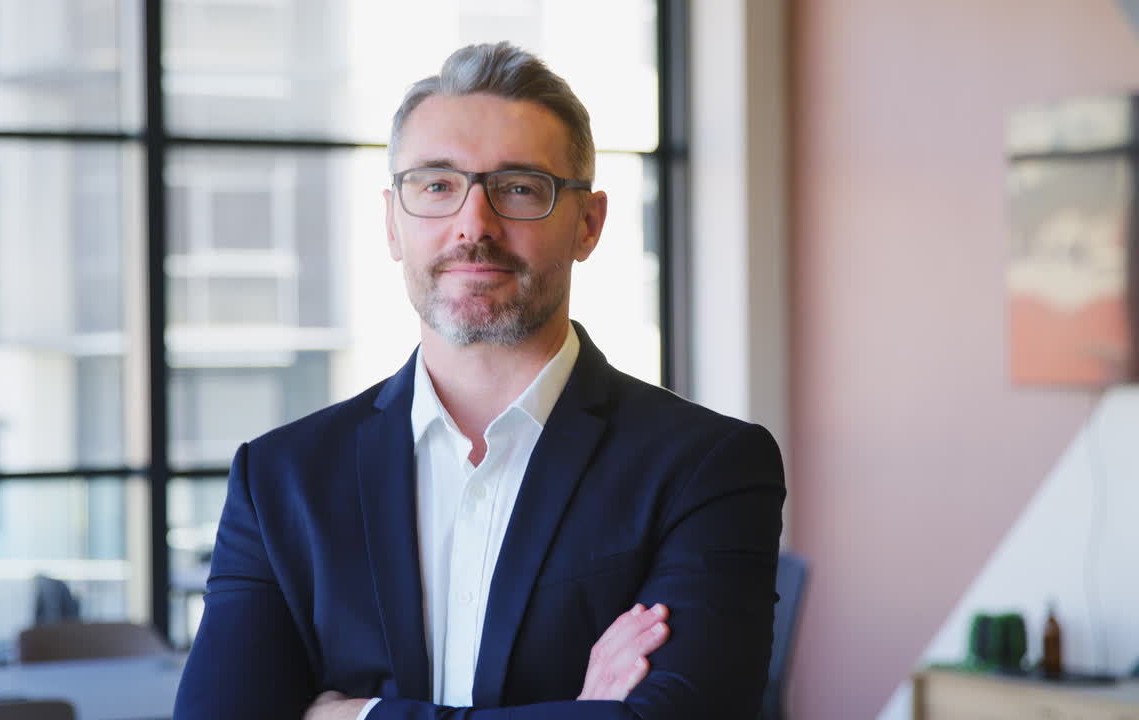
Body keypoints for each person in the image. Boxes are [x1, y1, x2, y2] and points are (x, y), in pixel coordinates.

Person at [174, 42, 785, 720]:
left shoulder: (706, 466)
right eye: (437, 185)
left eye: (519, 188)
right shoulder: (280, 479)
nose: (474, 224)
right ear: (391, 223)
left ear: (589, 223)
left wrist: (357, 716)